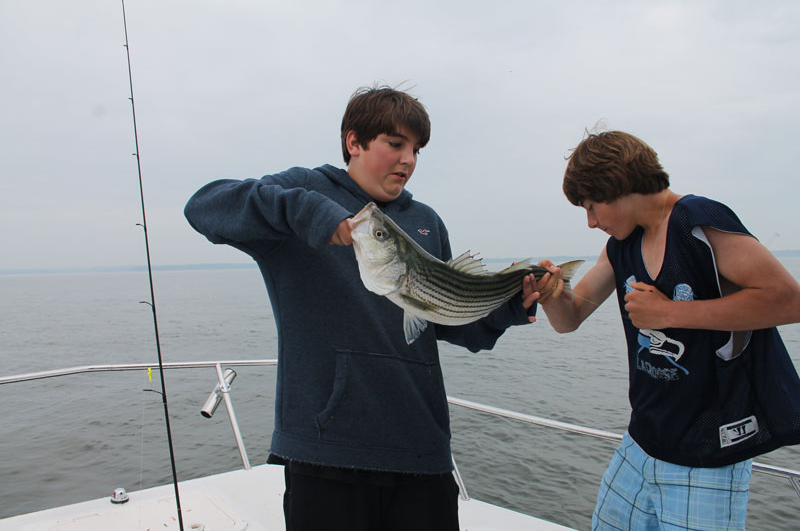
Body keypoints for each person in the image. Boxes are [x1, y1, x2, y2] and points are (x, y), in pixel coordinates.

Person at [184, 85, 540, 531]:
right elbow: (204, 207)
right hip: (327, 454)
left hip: (422, 452)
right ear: (354, 142)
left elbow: (450, 322)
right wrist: (310, 213)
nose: (408, 160)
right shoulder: (305, 190)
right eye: (395, 143)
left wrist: (510, 306)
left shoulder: (426, 221)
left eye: (416, 149)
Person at [533, 129, 800, 530]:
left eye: (591, 207)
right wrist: (551, 294)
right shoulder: (621, 245)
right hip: (639, 445)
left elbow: (789, 300)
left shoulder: (699, 221)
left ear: (619, 187)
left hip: (707, 457)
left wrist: (669, 313)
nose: (591, 222)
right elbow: (569, 319)